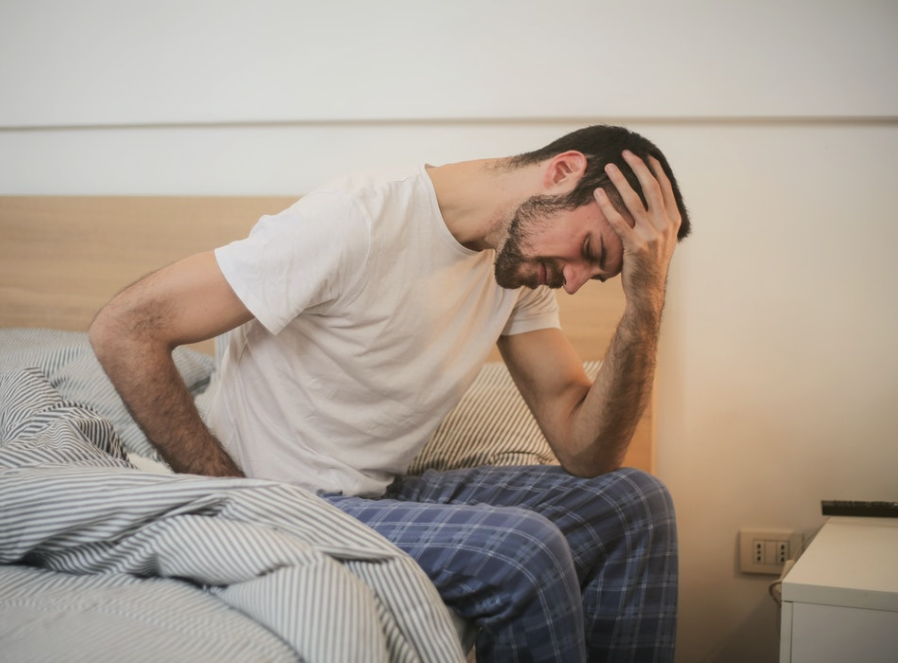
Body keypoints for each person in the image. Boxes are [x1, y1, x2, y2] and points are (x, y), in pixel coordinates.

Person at [90, 124, 691, 662]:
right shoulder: (355, 220)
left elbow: (587, 452)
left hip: (374, 494)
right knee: (522, 554)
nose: (578, 281)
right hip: (282, 499)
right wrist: (235, 500)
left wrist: (646, 299)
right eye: (589, 252)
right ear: (562, 171)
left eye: (601, 275)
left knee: (633, 504)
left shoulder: (519, 270)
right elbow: (125, 328)